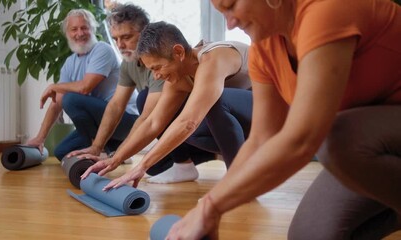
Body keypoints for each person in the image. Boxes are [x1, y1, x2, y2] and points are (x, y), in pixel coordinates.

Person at [164, 0, 401, 239]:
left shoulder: (327, 9)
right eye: (222, 12)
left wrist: (213, 206)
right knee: (308, 235)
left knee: (340, 139)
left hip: (367, 137)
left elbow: (303, 139)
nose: (230, 23)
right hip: (373, 145)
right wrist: (206, 208)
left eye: (232, 5)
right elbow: (260, 140)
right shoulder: (264, 50)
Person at [82, 21, 252, 189]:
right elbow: (153, 123)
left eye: (157, 68)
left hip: (272, 116)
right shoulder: (179, 79)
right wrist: (115, 159)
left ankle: (238, 182)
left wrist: (142, 166)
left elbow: (188, 122)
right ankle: (201, 165)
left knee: (211, 106)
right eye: (151, 70)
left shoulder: (212, 59)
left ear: (178, 52)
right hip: (246, 122)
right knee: (176, 121)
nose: (155, 76)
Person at [68, 4, 216, 183]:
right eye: (115, 39)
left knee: (144, 98)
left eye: (126, 37)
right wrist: (98, 148)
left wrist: (118, 158)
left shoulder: (167, 65)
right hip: (187, 128)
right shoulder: (128, 64)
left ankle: (187, 162)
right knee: (155, 167)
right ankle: (197, 159)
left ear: (145, 32)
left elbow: (149, 118)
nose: (120, 45)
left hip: (201, 121)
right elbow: (116, 105)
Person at [26, 9, 138, 161]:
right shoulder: (69, 63)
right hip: (101, 123)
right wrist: (40, 138)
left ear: (92, 29)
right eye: (74, 29)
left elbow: (85, 87)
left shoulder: (102, 49)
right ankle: (112, 150)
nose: (80, 33)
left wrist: (54, 86)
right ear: (67, 33)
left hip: (124, 120)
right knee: (62, 152)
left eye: (84, 27)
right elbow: (56, 102)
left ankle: (101, 148)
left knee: (71, 99)